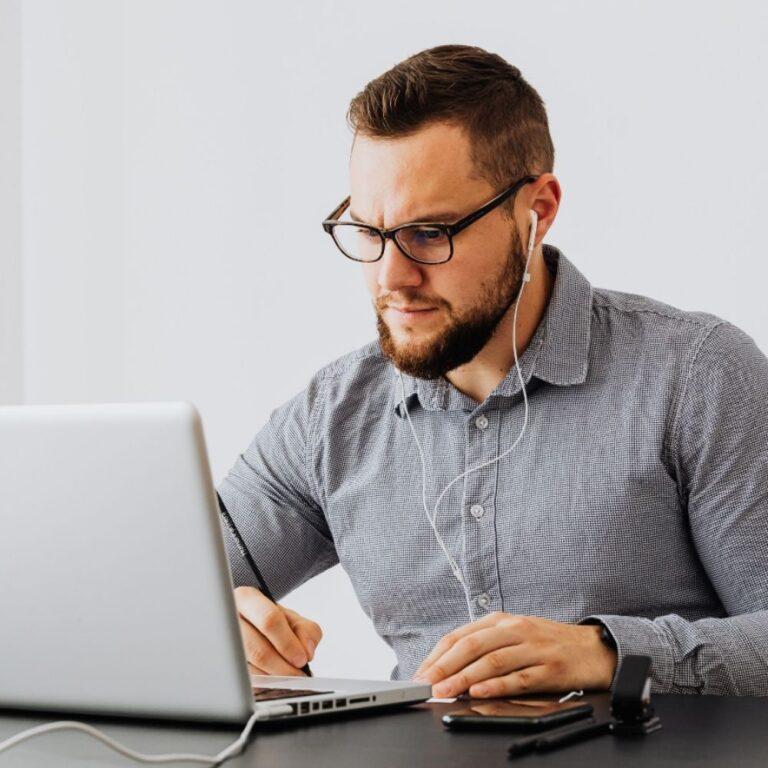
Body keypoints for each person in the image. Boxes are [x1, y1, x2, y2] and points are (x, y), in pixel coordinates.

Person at [218, 44, 768, 697]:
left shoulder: (698, 375)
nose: (391, 278)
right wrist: (209, 625)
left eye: (429, 233)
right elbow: (153, 589)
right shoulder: (327, 420)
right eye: (368, 231)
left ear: (537, 211)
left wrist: (608, 654)